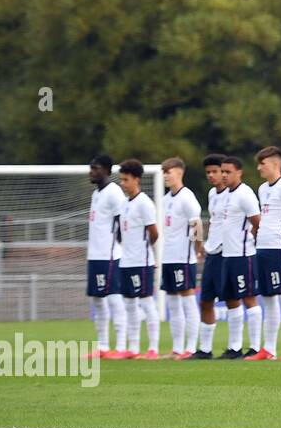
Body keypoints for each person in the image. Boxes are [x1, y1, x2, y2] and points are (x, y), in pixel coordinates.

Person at [251, 146, 281, 360]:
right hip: (263, 248)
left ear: (276, 164)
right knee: (268, 298)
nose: (259, 167)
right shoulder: (262, 189)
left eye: (263, 163)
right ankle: (268, 348)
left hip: (280, 249)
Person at [117, 159, 161, 359]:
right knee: (129, 304)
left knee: (146, 302)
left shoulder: (144, 203)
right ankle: (133, 348)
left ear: (136, 179)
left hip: (141, 262)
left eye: (126, 180)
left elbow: (154, 233)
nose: (122, 183)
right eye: (121, 179)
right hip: (126, 261)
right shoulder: (125, 204)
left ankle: (153, 348)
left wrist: (144, 251)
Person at [160, 157, 203, 359]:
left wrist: (197, 249)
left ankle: (191, 347)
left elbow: (196, 225)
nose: (166, 175)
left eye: (169, 171)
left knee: (187, 300)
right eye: (164, 171)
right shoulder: (165, 200)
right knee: (172, 303)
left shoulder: (187, 197)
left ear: (180, 172)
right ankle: (177, 348)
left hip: (183, 258)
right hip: (168, 258)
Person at [219, 156, 262, 359]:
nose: (224, 175)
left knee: (249, 298)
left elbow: (257, 221)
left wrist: (249, 241)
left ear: (239, 172)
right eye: (223, 171)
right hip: (228, 254)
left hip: (243, 255)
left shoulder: (245, 194)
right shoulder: (225, 194)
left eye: (228, 172)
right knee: (230, 299)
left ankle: (254, 346)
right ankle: (234, 347)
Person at [85, 154, 127, 359]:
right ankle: (102, 345)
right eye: (91, 168)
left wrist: (121, 247)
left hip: (109, 255)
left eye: (96, 168)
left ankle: (120, 347)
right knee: (97, 300)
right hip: (94, 255)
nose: (92, 172)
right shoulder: (96, 194)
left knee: (113, 298)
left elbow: (122, 222)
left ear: (108, 172)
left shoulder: (114, 193)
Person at [191, 154, 227, 360]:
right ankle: (205, 349)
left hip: (229, 253)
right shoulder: (213, 194)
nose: (212, 176)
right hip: (213, 253)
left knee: (232, 301)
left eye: (215, 171)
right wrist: (202, 246)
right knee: (205, 301)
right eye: (208, 173)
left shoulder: (237, 194)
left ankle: (236, 347)